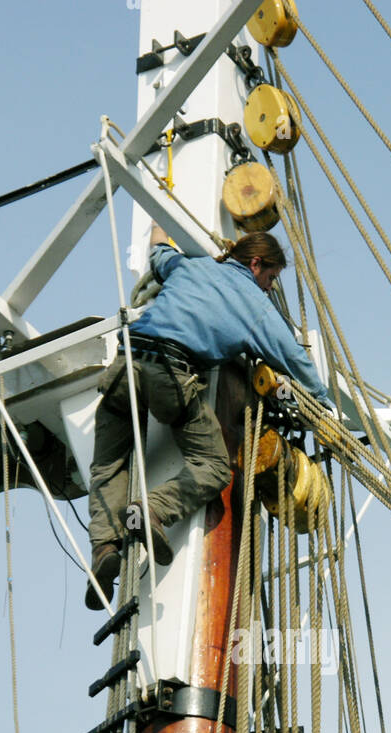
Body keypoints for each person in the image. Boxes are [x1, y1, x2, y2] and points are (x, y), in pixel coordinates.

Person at [85, 222, 333, 609]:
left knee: (107, 463)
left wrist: (157, 226)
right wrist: (325, 407)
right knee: (215, 466)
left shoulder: (192, 267)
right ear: (255, 264)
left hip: (124, 363)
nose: (270, 287)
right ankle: (151, 510)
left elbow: (159, 255)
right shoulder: (255, 306)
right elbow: (294, 358)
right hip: (168, 371)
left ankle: (104, 547)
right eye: (271, 278)